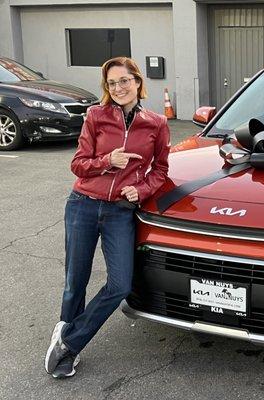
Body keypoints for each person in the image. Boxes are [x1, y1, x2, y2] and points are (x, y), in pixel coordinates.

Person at [44, 57, 170, 378]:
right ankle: (66, 354)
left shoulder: (155, 123)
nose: (118, 88)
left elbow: (161, 170)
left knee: (119, 284)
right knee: (76, 280)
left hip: (120, 213)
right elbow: (78, 164)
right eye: (112, 84)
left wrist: (140, 190)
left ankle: (67, 341)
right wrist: (106, 161)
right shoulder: (96, 116)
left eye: (124, 81)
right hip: (83, 205)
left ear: (138, 83)